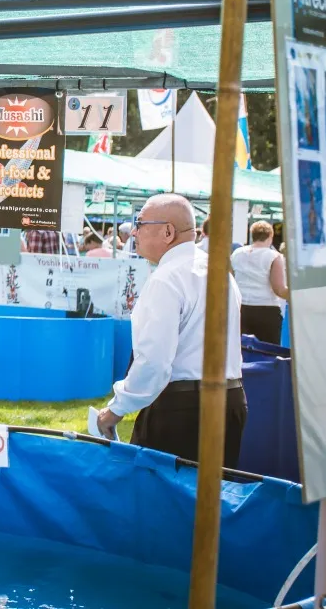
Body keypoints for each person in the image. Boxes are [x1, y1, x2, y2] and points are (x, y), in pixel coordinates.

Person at [95, 194, 246, 466]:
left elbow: (153, 362)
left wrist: (115, 410)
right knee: (214, 501)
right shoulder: (219, 272)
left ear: (168, 231)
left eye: (140, 223)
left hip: (184, 409)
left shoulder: (168, 278)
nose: (134, 231)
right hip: (229, 401)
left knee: (160, 500)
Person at [231, 221, 291, 345]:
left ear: (252, 235)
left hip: (240, 308)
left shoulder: (236, 254)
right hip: (267, 311)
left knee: (240, 350)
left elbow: (231, 280)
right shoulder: (274, 256)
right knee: (267, 353)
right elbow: (279, 289)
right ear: (270, 236)